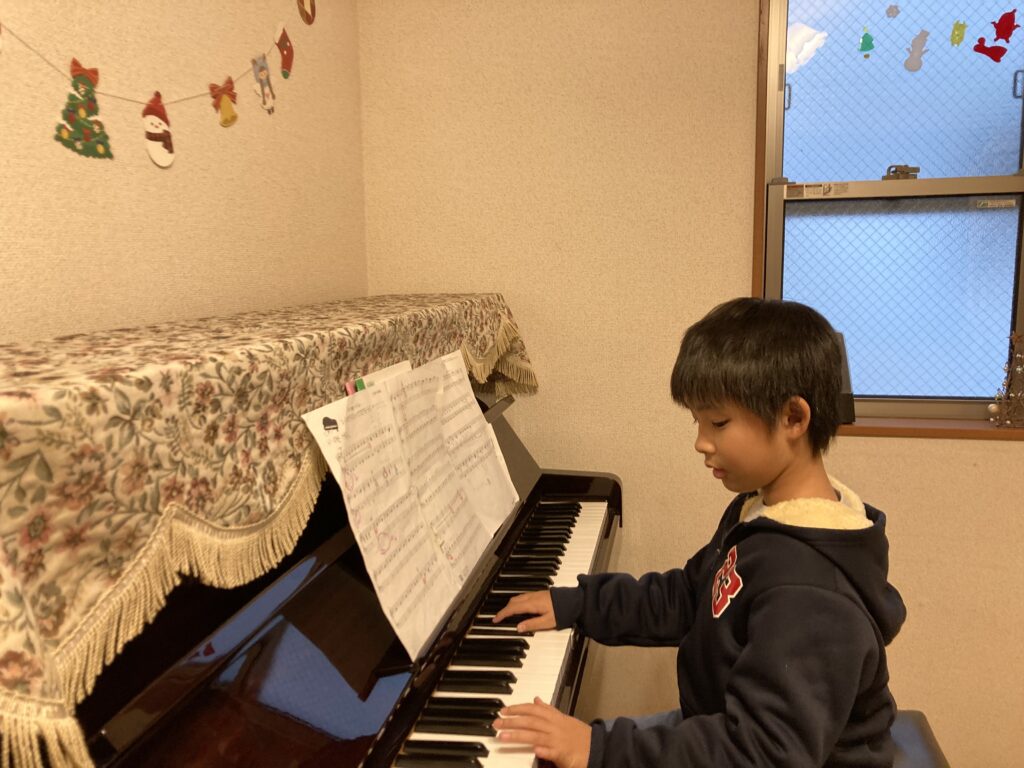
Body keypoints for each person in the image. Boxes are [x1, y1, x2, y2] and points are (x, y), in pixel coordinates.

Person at [491, 297, 906, 767]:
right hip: (725, 728)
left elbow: (760, 754)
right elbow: (690, 596)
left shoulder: (810, 595)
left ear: (793, 418)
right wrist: (579, 604)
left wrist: (597, 749)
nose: (700, 442)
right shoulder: (761, 513)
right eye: (698, 421)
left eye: (718, 422)